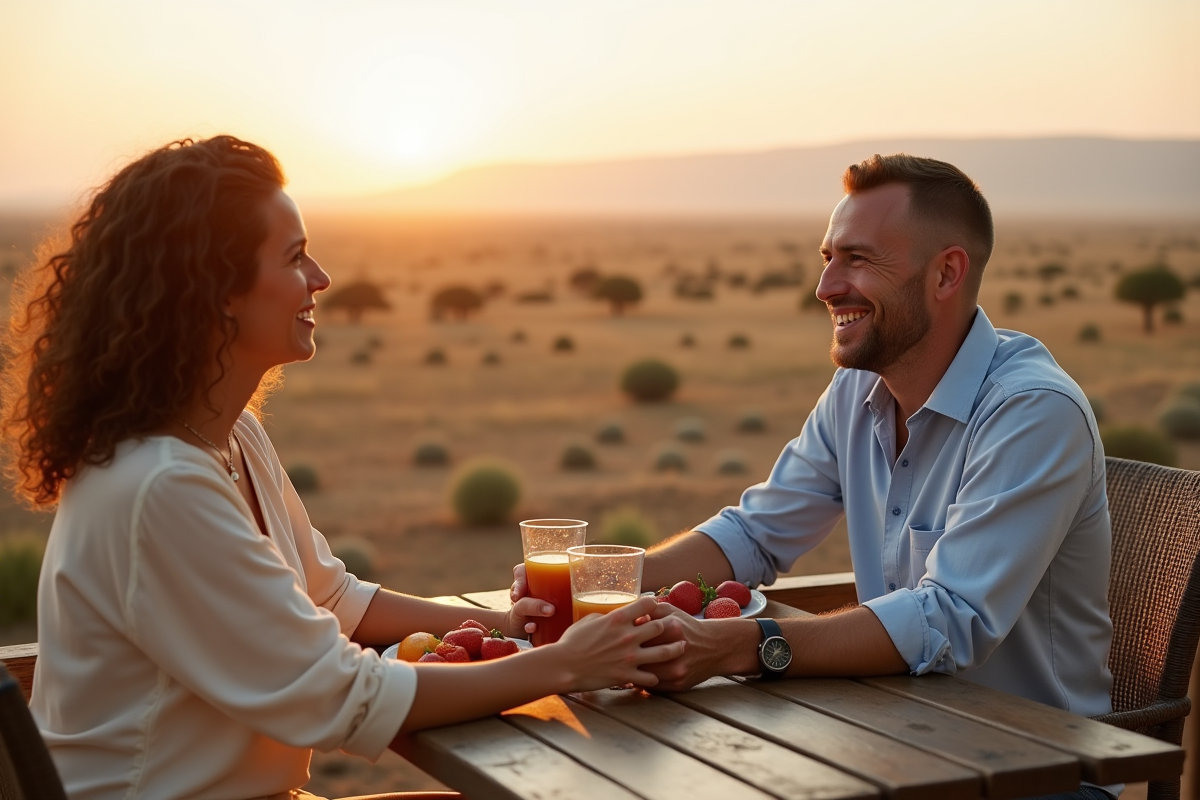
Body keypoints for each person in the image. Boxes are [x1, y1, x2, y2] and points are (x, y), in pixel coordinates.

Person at [2, 135, 685, 800]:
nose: (321, 279)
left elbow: (334, 602)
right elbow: (343, 696)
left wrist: (511, 626)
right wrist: (566, 663)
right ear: (218, 291)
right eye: (295, 257)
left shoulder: (230, 438)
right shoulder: (158, 486)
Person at [514, 154, 1116, 799]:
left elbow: (948, 618)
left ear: (946, 272)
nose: (826, 286)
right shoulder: (857, 391)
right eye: (828, 257)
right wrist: (593, 589)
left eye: (857, 259)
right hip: (897, 743)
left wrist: (739, 646)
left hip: (1033, 774)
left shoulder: (1031, 412)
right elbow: (756, 536)